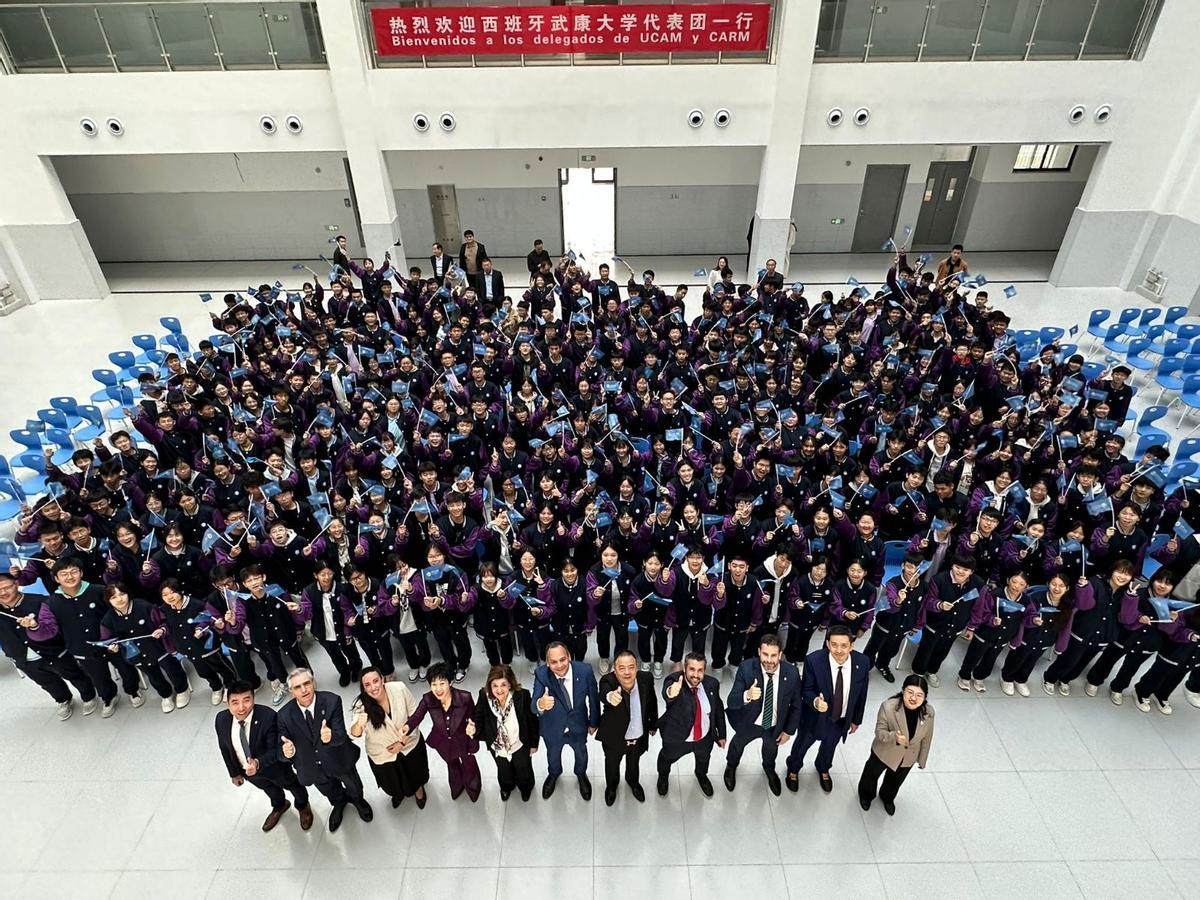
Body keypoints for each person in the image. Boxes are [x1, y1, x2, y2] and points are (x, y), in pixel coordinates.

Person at [277, 667, 373, 833]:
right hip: (311, 767)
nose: (304, 690)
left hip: (338, 758)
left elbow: (341, 735)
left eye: (307, 683)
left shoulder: (331, 701)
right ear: (292, 692)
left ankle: (358, 801)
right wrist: (287, 752)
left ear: (313, 683)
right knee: (329, 791)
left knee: (354, 786)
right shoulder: (283, 715)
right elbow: (282, 750)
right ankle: (339, 803)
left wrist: (330, 737)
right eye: (298, 687)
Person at [215, 681, 314, 832]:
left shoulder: (268, 717)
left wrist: (257, 763)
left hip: (275, 768)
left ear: (253, 699)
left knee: (293, 785)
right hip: (248, 772)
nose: (241, 708)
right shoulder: (221, 720)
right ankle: (280, 805)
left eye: (246, 700)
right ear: (228, 703)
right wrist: (234, 773)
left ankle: (303, 806)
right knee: (269, 789)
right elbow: (224, 747)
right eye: (235, 702)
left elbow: (275, 749)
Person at [787, 625, 870, 794]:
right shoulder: (814, 660)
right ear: (827, 644)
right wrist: (815, 701)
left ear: (851, 646)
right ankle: (793, 769)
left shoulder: (862, 662)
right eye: (834, 645)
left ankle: (823, 767)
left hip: (840, 719)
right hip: (814, 718)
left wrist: (856, 719)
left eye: (844, 646)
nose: (839, 650)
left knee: (829, 747)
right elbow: (806, 690)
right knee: (802, 745)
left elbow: (862, 693)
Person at [723, 634, 800, 796]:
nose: (769, 660)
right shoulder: (746, 668)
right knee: (737, 745)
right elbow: (731, 701)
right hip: (748, 722)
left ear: (780, 655)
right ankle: (731, 766)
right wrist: (747, 695)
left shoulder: (792, 673)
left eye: (773, 655)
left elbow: (796, 706)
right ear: (759, 652)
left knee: (771, 750)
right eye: (765, 654)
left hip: (774, 725)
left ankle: (769, 769)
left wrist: (789, 731)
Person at [348, 667, 429, 809]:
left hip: (408, 743)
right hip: (383, 753)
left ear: (383, 680)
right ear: (363, 688)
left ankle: (418, 790)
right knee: (391, 781)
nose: (373, 687)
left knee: (415, 773)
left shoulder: (399, 688)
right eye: (367, 685)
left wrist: (402, 742)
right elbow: (353, 734)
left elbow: (415, 715)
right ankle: (397, 794)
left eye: (376, 681)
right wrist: (359, 724)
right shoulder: (360, 705)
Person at [857, 674, 935, 815]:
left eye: (919, 695)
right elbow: (879, 732)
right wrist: (894, 737)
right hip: (884, 751)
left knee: (895, 781)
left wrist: (922, 759)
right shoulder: (888, 707)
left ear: (925, 697)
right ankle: (866, 795)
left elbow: (927, 737)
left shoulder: (928, 712)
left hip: (908, 756)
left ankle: (887, 798)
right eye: (910, 692)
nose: (913, 698)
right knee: (871, 775)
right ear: (903, 690)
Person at [531, 640, 599, 800]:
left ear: (569, 656)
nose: (560, 665)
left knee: (581, 752)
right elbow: (533, 705)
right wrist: (541, 704)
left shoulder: (585, 671)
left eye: (563, 659)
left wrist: (594, 722)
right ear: (547, 662)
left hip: (579, 725)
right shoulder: (541, 674)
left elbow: (593, 698)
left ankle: (581, 774)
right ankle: (554, 773)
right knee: (553, 754)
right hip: (553, 727)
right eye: (554, 662)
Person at [403, 662, 481, 801]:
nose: (438, 689)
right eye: (434, 684)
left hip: (462, 739)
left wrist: (473, 729)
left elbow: (474, 717)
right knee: (451, 764)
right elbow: (417, 716)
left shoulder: (465, 697)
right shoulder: (428, 699)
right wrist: (407, 727)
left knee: (468, 764)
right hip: (443, 740)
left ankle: (473, 787)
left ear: (450, 682)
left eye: (442, 683)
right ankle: (457, 787)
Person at [656, 652, 726, 797]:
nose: (695, 675)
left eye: (700, 670)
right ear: (684, 668)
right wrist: (671, 692)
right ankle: (663, 778)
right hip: (678, 738)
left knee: (703, 759)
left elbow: (718, 709)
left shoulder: (712, 684)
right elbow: (667, 692)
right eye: (692, 669)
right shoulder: (675, 681)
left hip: (704, 737)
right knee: (666, 758)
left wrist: (722, 734)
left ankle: (701, 775)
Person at [596, 649, 658, 806]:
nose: (627, 672)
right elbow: (604, 693)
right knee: (612, 764)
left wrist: (653, 724)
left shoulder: (646, 679)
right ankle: (612, 787)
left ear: (637, 667)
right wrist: (610, 697)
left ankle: (633, 782)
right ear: (614, 670)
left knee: (634, 762)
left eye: (631, 667)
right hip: (614, 737)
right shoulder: (608, 681)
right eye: (621, 668)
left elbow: (652, 702)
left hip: (638, 735)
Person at [474, 663, 539, 801]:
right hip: (498, 746)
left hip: (519, 744)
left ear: (510, 684)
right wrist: (474, 729)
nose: (499, 690)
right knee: (503, 770)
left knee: (523, 769)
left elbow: (532, 721)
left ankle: (525, 788)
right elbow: (478, 718)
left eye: (503, 685)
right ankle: (506, 787)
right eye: (495, 685)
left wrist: (534, 743)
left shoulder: (523, 695)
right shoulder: (484, 696)